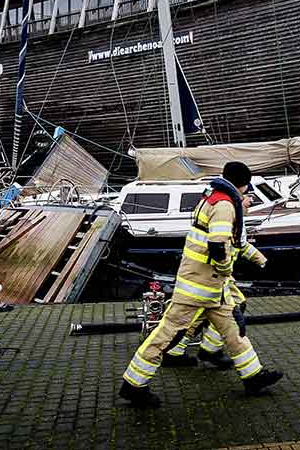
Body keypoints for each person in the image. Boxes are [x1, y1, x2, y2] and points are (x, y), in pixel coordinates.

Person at [118, 162, 284, 408]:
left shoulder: (210, 198)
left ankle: (253, 376)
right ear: (244, 184)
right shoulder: (225, 204)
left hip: (210, 288)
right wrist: (226, 268)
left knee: (235, 332)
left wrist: (249, 263)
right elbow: (218, 245)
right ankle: (133, 386)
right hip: (201, 287)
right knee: (165, 336)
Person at [162, 191, 267, 370]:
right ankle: (208, 350)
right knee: (234, 307)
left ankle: (179, 351)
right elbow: (222, 247)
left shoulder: (230, 215)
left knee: (199, 315)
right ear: (240, 198)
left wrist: (260, 259)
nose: (251, 202)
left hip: (212, 278)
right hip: (214, 277)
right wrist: (226, 269)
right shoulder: (227, 215)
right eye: (249, 197)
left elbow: (239, 245)